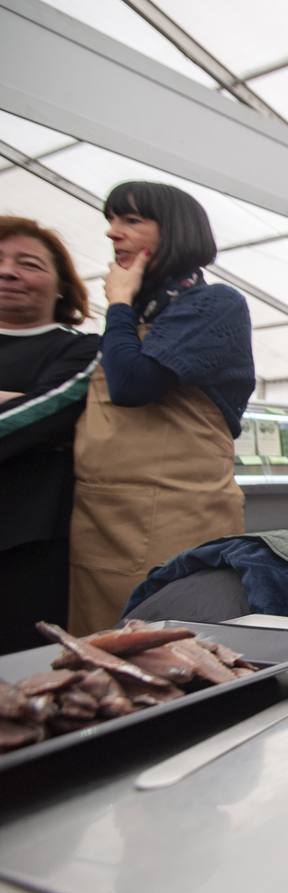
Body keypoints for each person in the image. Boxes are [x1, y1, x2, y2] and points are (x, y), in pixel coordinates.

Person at [68, 182, 255, 635]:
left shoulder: (214, 305)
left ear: (175, 231)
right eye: (111, 221)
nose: (113, 233)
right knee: (96, 649)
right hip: (102, 513)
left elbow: (133, 383)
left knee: (170, 643)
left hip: (177, 511)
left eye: (131, 220)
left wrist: (117, 303)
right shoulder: (140, 311)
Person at [0, 217, 100, 651]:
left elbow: (45, 411)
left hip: (25, 541)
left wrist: (21, 405)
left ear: (62, 286)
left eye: (30, 264)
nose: (8, 271)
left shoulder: (79, 348)